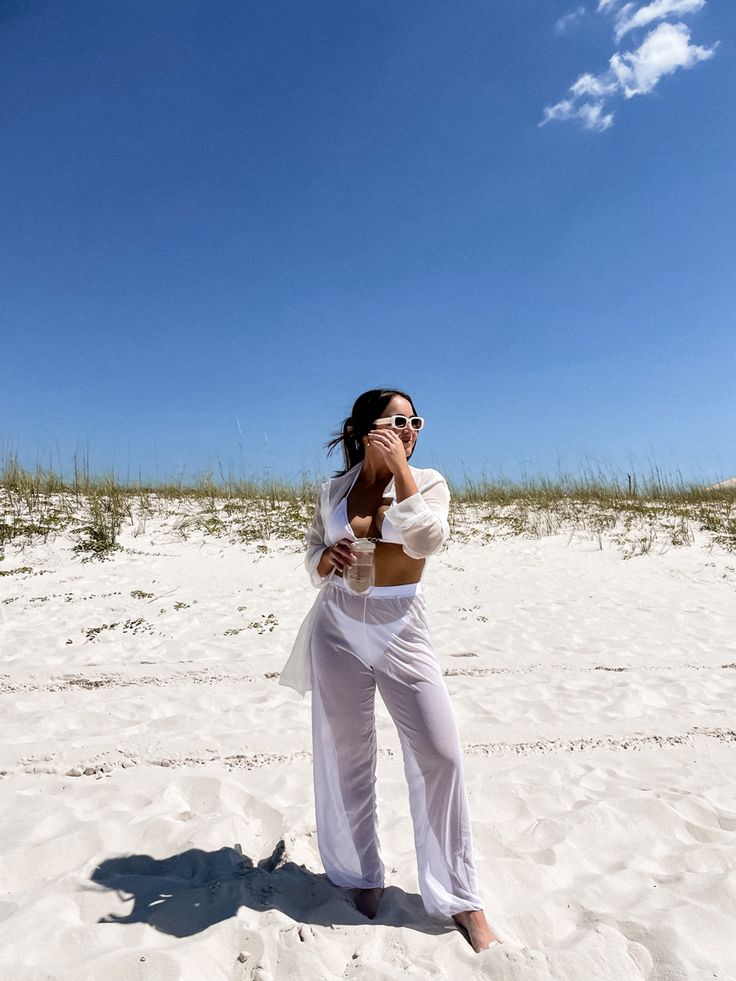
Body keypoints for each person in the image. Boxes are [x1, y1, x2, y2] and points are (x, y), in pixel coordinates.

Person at [280, 388, 500, 952]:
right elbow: (312, 554)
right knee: (346, 754)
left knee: (440, 752)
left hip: (400, 622)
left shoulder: (427, 481)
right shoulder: (333, 488)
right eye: (396, 421)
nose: (409, 428)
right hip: (337, 626)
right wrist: (324, 559)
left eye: (415, 421)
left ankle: (460, 896)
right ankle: (359, 876)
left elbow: (427, 539)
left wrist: (401, 468)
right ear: (362, 429)